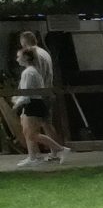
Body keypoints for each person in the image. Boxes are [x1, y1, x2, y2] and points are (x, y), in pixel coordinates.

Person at [13, 32, 66, 167]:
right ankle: (53, 152)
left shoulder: (34, 58)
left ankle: (46, 153)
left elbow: (33, 77)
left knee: (32, 128)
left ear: (24, 43)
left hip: (38, 95)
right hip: (46, 91)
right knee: (45, 124)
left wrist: (20, 98)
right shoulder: (45, 52)